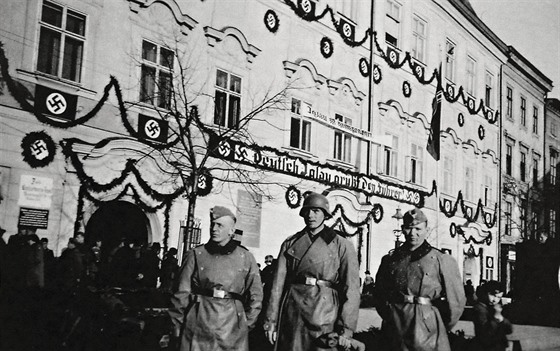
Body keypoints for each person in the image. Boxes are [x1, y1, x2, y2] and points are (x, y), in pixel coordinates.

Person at [264, 192, 360, 350]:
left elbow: (352, 289)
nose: (310, 215)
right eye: (307, 211)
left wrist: (346, 328)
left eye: (316, 211)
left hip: (324, 312)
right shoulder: (291, 243)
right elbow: (277, 286)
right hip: (293, 312)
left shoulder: (341, 245)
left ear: (325, 215)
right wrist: (271, 321)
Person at [169, 206, 263, 351]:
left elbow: (256, 296)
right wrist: (179, 324)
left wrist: (245, 324)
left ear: (231, 231)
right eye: (212, 224)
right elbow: (181, 293)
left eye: (220, 225)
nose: (214, 229)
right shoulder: (195, 255)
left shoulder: (246, 258)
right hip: (199, 324)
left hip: (232, 327)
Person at [374, 207, 466, 350]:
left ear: (427, 230)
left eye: (418, 229)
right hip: (395, 326)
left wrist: (437, 323)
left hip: (427, 327)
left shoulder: (441, 259)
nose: (413, 233)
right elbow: (379, 293)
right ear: (403, 229)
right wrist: (389, 316)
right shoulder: (391, 259)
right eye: (409, 228)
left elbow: (456, 301)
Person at [472, 280, 513, 351]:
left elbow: (509, 330)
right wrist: (496, 317)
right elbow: (487, 332)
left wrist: (501, 318)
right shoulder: (480, 309)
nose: (495, 300)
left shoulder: (495, 308)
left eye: (499, 297)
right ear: (485, 292)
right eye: (492, 295)